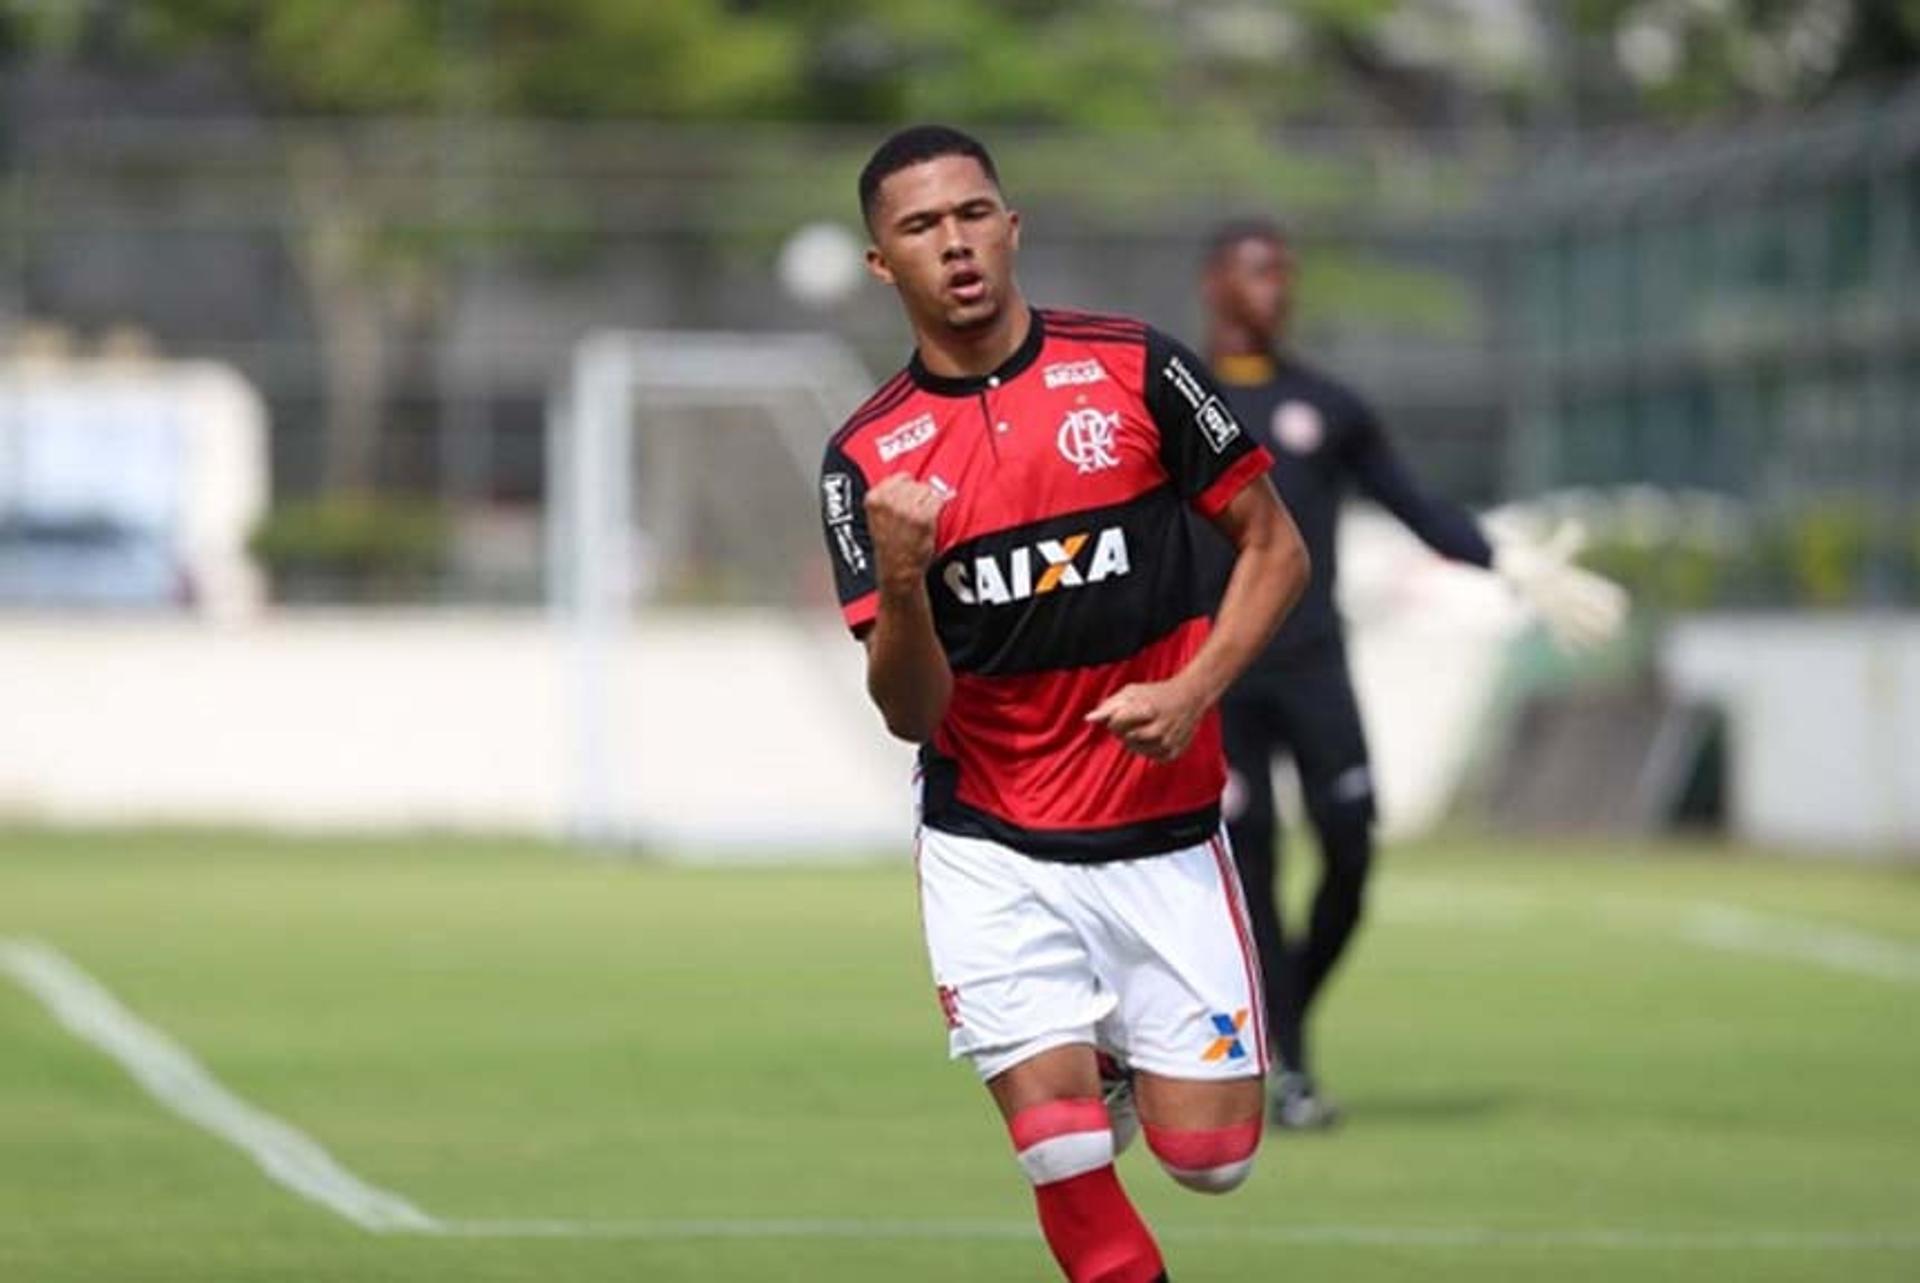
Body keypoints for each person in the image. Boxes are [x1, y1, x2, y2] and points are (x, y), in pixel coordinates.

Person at [819, 127, 1310, 1283]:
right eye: (923, 228)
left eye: (973, 213)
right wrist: (901, 574)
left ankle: (1122, 1063)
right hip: (990, 839)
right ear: (883, 263)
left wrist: (1195, 690)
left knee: (1214, 1156)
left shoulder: (1138, 367)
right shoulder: (866, 460)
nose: (957, 244)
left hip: (1162, 830)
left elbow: (1276, 551)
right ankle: (1071, 1075)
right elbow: (907, 708)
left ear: (1012, 224)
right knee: (1060, 1152)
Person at [1194, 218, 1627, 1129]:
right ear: (1216, 285)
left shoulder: (1331, 406)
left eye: (1286, 272)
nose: (1276, 287)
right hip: (1219, 672)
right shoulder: (1179, 401)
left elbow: (1416, 502)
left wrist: (1506, 562)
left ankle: (1279, 1024)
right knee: (1256, 862)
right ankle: (1295, 1075)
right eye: (1257, 270)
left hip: (1313, 663)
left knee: (1351, 849)